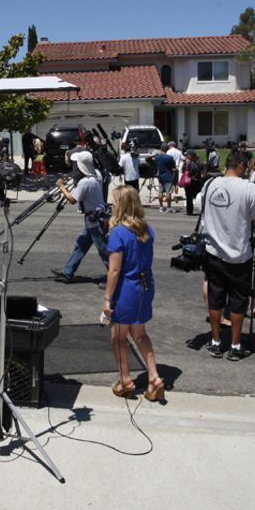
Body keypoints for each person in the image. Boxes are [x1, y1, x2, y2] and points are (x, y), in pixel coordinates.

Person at [200, 151, 255, 360]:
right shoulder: (249, 188)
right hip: (238, 253)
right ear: (240, 165)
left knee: (215, 298)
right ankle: (236, 344)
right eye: (246, 166)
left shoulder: (209, 185)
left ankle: (216, 341)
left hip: (213, 251)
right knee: (238, 301)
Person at [102, 186, 164, 402]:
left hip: (126, 288)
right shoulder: (147, 229)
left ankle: (125, 379)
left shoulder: (118, 232)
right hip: (146, 284)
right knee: (140, 333)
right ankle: (154, 378)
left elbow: (115, 270)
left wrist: (107, 298)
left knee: (118, 336)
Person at [51, 151, 110, 281]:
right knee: (81, 245)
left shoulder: (85, 182)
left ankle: (117, 276)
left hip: (94, 220)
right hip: (96, 217)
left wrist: (62, 187)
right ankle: (68, 272)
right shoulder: (97, 175)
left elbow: (72, 199)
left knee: (103, 249)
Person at [182, 150, 206, 215]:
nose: (186, 156)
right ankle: (195, 211)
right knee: (192, 197)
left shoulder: (188, 163)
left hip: (192, 182)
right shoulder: (200, 162)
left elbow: (183, 171)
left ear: (191, 155)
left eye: (187, 155)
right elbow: (204, 173)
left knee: (193, 197)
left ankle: (190, 211)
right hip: (195, 182)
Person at [154, 147, 177, 212]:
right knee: (168, 193)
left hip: (161, 176)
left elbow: (155, 164)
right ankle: (168, 207)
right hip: (168, 176)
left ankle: (161, 207)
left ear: (161, 150)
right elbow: (174, 167)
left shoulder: (158, 157)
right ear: (167, 150)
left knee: (160, 192)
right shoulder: (170, 157)